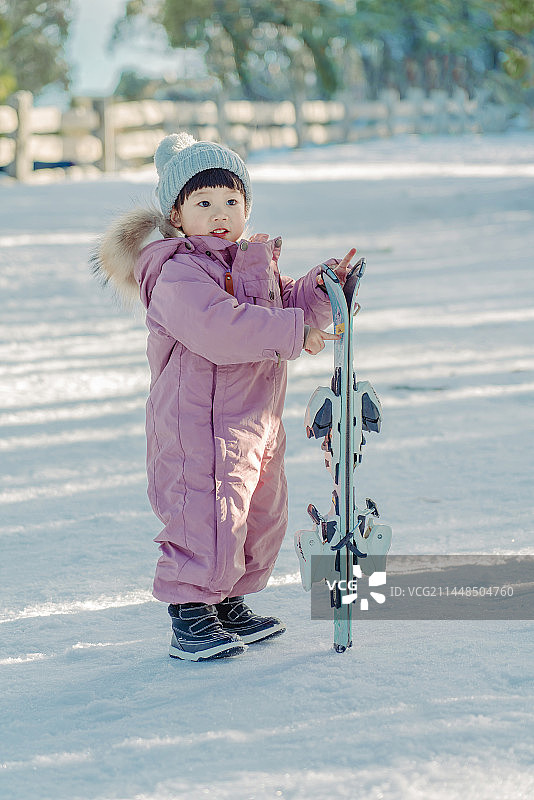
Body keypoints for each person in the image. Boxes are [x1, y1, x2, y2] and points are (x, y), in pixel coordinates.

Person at [93, 132, 356, 661]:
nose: (221, 213)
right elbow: (221, 328)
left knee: (258, 512)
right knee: (206, 514)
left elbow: (283, 303)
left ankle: (230, 601)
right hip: (198, 426)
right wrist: (292, 331)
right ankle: (191, 613)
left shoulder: (251, 263)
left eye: (232, 201)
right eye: (204, 203)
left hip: (255, 421)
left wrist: (324, 289)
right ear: (176, 214)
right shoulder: (176, 273)